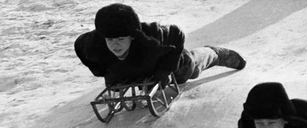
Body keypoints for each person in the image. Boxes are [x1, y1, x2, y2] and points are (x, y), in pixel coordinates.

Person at [74, 3, 246, 88]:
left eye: (120, 39)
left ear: (133, 36)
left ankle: (216, 54)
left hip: (163, 58)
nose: (114, 44)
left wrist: (165, 69)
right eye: (110, 39)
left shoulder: (152, 35)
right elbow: (79, 47)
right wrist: (104, 72)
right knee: (124, 72)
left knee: (187, 71)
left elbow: (177, 34)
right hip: (135, 67)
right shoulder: (93, 44)